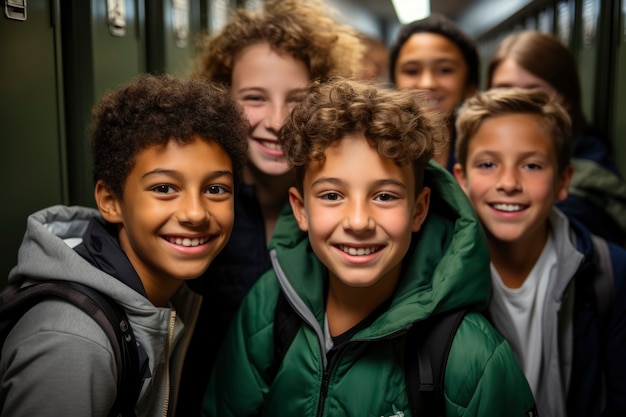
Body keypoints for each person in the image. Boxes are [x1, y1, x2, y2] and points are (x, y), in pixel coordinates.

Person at [202, 77, 537, 417]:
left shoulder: (471, 355)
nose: (359, 221)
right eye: (332, 195)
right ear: (301, 209)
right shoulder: (268, 306)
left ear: (418, 210)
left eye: (385, 196)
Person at [0, 74, 248, 417]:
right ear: (111, 200)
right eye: (164, 188)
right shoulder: (74, 342)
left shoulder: (169, 296)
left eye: (216, 189)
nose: (195, 213)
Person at [178, 1, 365, 414]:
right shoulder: (194, 209)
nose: (278, 121)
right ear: (222, 100)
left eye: (298, 98)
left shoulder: (348, 215)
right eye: (254, 98)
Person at [453, 87, 626, 417]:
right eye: (488, 164)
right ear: (462, 179)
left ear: (563, 181)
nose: (508, 182)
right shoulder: (436, 276)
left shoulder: (611, 272)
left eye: (531, 166)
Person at [487, 30, 626, 245]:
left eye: (535, 94)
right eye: (504, 92)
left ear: (566, 101)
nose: (518, 105)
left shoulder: (587, 191)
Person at [389, 12, 479, 172]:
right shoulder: (376, 152)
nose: (427, 83)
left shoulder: (482, 151)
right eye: (412, 71)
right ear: (395, 84)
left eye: (445, 70)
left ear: (470, 86)